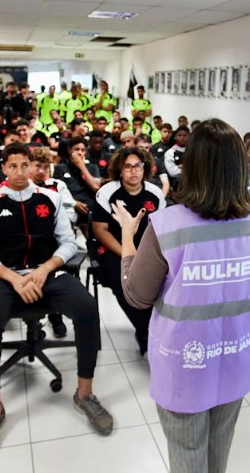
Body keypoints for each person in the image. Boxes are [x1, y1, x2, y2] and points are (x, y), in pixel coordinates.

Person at [114, 118, 250, 473]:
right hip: (236, 355)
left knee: (188, 452)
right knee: (220, 448)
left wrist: (128, 237)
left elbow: (137, 296)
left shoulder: (167, 225)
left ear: (192, 166)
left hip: (185, 364)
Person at [0, 143, 113, 459]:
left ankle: (85, 393)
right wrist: (15, 277)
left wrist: (45, 269)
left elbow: (67, 244)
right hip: (8, 276)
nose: (20, 171)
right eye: (14, 166)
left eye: (25, 165)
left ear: (33, 166)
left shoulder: (49, 198)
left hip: (48, 273)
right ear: (4, 169)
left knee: (88, 309)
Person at [92, 147, 165, 355]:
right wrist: (128, 254)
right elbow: (100, 230)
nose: (134, 171)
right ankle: (144, 332)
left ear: (145, 169)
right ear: (120, 170)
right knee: (125, 282)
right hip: (113, 248)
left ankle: (160, 328)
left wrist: (145, 254)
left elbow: (160, 229)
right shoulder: (107, 193)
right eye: (128, 167)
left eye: (138, 166)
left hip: (147, 249)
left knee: (164, 280)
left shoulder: (155, 194)